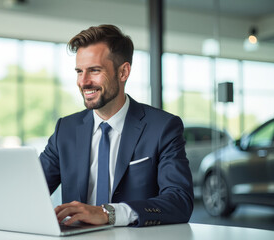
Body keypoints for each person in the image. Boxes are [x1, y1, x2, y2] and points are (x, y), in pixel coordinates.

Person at [39, 24, 193, 227]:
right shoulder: (65, 130)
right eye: (79, 71)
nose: (83, 82)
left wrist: (108, 213)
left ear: (123, 72)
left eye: (94, 70)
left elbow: (180, 201)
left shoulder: (163, 127)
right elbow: (29, 190)